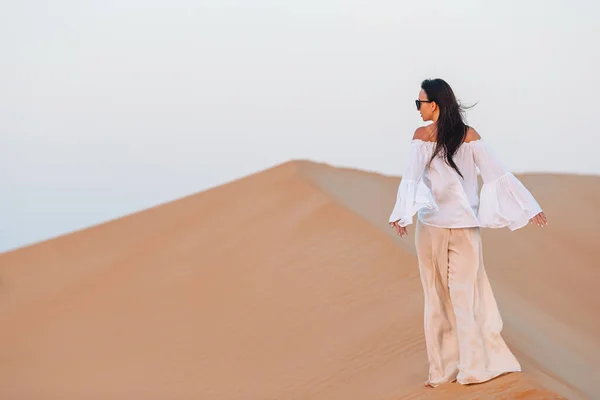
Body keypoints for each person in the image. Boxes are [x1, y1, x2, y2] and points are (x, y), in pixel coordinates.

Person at [388, 78, 547, 388]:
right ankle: (453, 370)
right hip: (441, 227)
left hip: (453, 229)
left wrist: (530, 207)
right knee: (448, 297)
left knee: (452, 297)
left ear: (433, 104)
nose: (417, 109)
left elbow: (495, 174)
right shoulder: (442, 137)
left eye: (419, 103)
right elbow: (413, 178)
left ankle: (461, 370)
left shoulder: (449, 137)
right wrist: (402, 213)